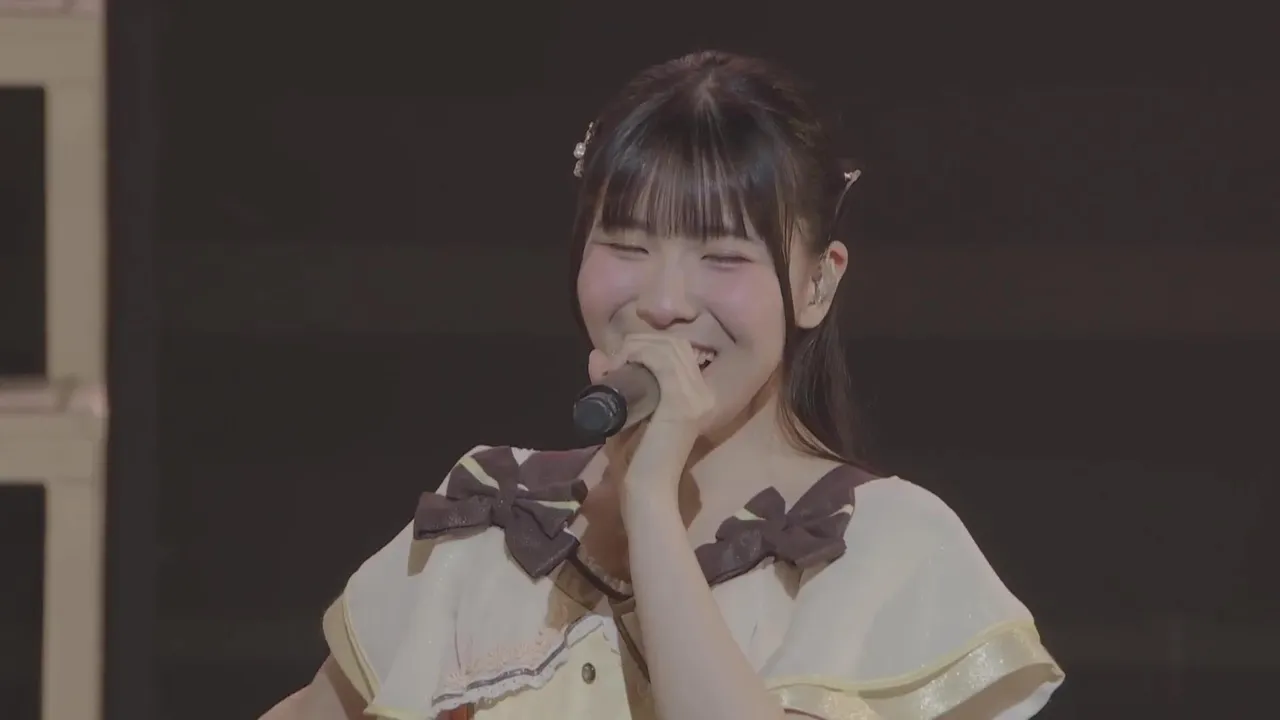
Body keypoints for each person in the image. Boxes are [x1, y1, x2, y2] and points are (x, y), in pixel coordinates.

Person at [261, 50, 1063, 720]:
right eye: (627, 245)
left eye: (722, 257)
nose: (666, 302)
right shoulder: (487, 526)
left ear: (817, 282)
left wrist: (650, 500)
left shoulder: (886, 553)